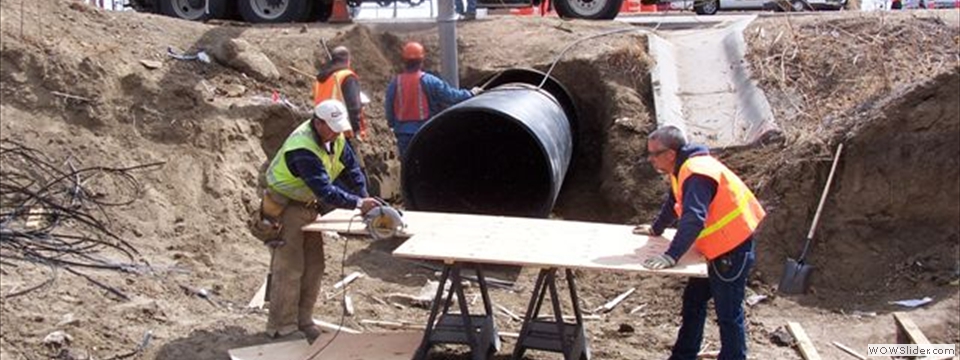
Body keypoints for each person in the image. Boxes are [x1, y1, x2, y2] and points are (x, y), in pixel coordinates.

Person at [633, 125, 766, 360]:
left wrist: (671, 255)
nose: (650, 159)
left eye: (654, 154)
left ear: (670, 154)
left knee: (728, 314)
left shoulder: (696, 173)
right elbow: (674, 200)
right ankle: (684, 355)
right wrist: (656, 228)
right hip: (716, 248)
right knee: (693, 301)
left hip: (731, 249)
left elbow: (694, 218)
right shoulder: (683, 168)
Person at [258, 99, 380, 343]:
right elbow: (325, 190)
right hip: (286, 206)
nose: (336, 132)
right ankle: (282, 327)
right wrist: (358, 204)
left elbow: (351, 168)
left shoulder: (336, 138)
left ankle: (304, 320)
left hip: (308, 206)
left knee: (314, 266)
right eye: (332, 127)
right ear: (318, 122)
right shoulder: (302, 148)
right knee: (290, 266)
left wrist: (364, 196)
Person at [384, 41, 482, 157]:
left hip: (403, 135)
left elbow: (389, 107)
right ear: (421, 61)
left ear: (404, 61)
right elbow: (451, 96)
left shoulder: (395, 83)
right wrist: (470, 93)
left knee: (408, 168)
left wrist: (392, 124)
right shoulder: (430, 81)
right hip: (425, 132)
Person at [313, 46, 367, 141]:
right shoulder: (346, 76)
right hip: (339, 130)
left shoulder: (320, 79)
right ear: (348, 61)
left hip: (321, 128)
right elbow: (353, 106)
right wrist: (356, 130)